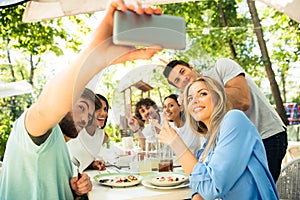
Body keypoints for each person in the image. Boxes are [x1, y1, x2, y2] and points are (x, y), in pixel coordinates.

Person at [0, 1, 162, 199]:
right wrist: (94, 56)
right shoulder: (31, 131)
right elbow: (46, 107)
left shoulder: (62, 147)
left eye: (89, 112)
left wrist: (76, 190)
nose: (85, 118)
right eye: (80, 108)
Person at [163, 58, 287, 182]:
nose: (183, 78)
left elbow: (242, 101)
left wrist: (203, 93)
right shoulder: (195, 102)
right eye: (177, 80)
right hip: (238, 144)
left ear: (191, 67)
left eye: (183, 71)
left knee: (260, 190)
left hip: (267, 136)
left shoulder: (221, 67)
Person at [158, 76, 279, 199]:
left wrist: (176, 143)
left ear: (219, 97)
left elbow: (211, 188)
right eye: (190, 98)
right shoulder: (209, 140)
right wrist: (196, 194)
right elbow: (201, 178)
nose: (194, 100)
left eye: (202, 94)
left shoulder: (235, 119)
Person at [67, 94, 109, 172]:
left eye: (105, 109)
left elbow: (81, 159)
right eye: (97, 109)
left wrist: (92, 164)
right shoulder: (74, 131)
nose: (103, 113)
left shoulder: (102, 136)